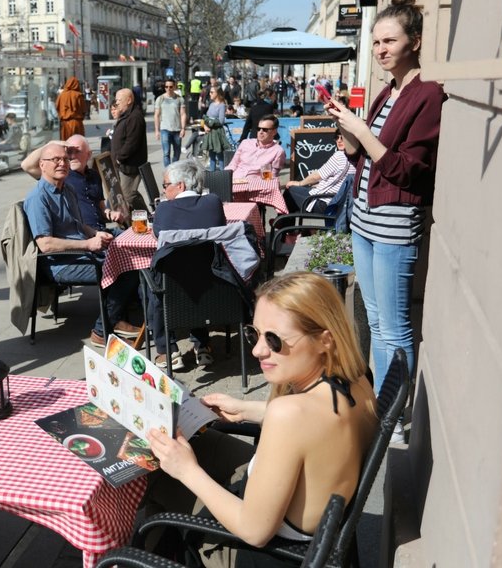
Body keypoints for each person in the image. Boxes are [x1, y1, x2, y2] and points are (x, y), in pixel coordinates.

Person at [141, 272, 377, 567]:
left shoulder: (289, 415)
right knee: (195, 443)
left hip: (270, 553)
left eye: (275, 340)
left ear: (324, 340)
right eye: (254, 334)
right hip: (307, 527)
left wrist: (187, 471)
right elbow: (319, 428)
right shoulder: (357, 378)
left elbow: (255, 532)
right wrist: (248, 410)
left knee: (157, 476)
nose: (257, 350)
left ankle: (147, 548)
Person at [327, 0, 444, 403]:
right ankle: (384, 403)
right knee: (376, 322)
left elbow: (408, 170)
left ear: (414, 42)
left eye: (389, 40)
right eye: (376, 41)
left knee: (394, 327)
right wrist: (348, 130)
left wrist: (361, 132)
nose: (380, 49)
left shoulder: (427, 93)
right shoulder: (387, 91)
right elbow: (365, 157)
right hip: (364, 220)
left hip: (394, 224)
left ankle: (395, 419)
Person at [23, 140, 141, 348]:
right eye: (55, 160)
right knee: (125, 269)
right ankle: (101, 330)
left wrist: (98, 233)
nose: (62, 164)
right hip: (59, 264)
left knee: (129, 254)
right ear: (42, 165)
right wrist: (88, 244)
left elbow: (79, 224)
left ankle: (116, 317)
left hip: (81, 252)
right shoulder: (38, 198)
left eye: (65, 159)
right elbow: (45, 245)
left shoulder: (66, 189)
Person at [149, 159, 226, 368]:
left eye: (166, 186)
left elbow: (158, 235)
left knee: (152, 283)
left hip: (174, 285)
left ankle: (168, 351)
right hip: (214, 282)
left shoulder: (164, 210)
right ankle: (202, 345)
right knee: (194, 273)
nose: (164, 191)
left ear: (180, 185)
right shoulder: (213, 202)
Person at [282, 130, 355, 213]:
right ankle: (284, 222)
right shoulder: (357, 158)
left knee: (290, 190)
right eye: (336, 137)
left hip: (324, 202)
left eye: (343, 137)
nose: (339, 140)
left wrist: (299, 183)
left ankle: (281, 222)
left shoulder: (340, 155)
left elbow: (317, 176)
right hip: (339, 202)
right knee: (294, 199)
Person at [110, 88, 148, 212]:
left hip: (130, 165)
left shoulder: (135, 117)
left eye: (119, 100)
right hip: (123, 165)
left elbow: (132, 143)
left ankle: (148, 216)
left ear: (129, 100)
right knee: (124, 195)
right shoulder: (127, 115)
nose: (117, 103)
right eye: (116, 100)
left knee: (129, 195)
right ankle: (130, 221)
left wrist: (119, 158)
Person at [226, 115, 286, 180]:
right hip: (234, 181)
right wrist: (224, 176)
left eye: (265, 130)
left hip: (256, 186)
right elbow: (233, 164)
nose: (260, 132)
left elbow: (271, 177)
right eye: (258, 129)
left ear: (274, 132)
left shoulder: (278, 151)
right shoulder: (245, 143)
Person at [154, 77, 187, 168]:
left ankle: (174, 170)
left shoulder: (180, 99)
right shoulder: (160, 99)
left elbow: (183, 114)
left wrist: (183, 128)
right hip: (165, 129)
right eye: (166, 87)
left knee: (177, 153)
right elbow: (156, 115)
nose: (168, 89)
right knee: (166, 153)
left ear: (175, 86)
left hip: (177, 129)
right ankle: (168, 172)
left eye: (171, 87)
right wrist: (157, 130)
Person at [200, 86, 229, 171]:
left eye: (212, 92)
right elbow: (206, 118)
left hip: (217, 133)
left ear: (217, 93)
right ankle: (212, 175)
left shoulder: (222, 105)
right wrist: (205, 126)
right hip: (210, 132)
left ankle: (222, 175)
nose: (210, 94)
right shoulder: (211, 104)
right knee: (211, 155)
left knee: (219, 155)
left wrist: (210, 123)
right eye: (210, 92)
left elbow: (221, 121)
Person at [55, 76, 86, 141]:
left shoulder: (61, 95)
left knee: (66, 142)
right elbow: (83, 109)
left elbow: (57, 107)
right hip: (77, 122)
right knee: (78, 143)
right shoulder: (78, 95)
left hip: (65, 123)